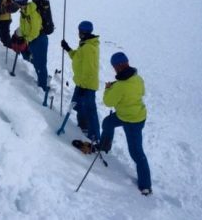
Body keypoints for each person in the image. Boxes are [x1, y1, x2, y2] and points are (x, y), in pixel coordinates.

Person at [100, 52, 152, 195]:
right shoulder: (137, 78)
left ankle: (146, 185)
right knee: (107, 123)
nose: (114, 69)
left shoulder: (120, 86)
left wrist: (108, 89)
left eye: (114, 67)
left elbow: (108, 102)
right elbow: (141, 92)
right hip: (133, 115)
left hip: (132, 121)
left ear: (117, 67)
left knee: (136, 152)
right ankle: (104, 146)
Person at [61, 20, 101, 142]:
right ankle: (83, 128)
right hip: (81, 84)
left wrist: (83, 87)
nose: (78, 33)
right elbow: (77, 58)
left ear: (83, 32)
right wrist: (68, 49)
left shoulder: (88, 47)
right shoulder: (85, 44)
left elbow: (89, 69)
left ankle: (94, 136)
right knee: (78, 106)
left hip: (87, 86)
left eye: (80, 31)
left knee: (90, 110)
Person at [14, 0, 49, 93]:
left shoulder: (33, 13)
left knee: (40, 64)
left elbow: (35, 31)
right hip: (31, 39)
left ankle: (43, 88)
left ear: (21, 2)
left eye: (17, 3)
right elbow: (24, 27)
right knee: (26, 56)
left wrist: (25, 39)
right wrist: (17, 34)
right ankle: (42, 74)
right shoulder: (23, 12)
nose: (16, 5)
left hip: (39, 40)